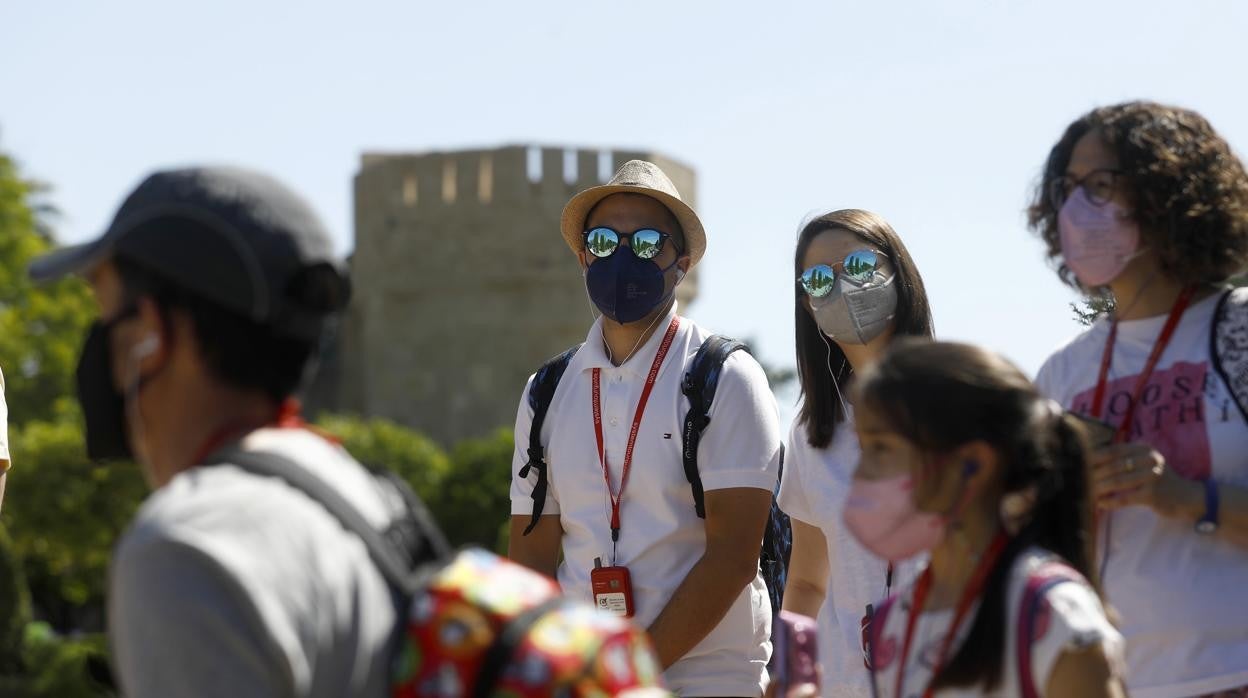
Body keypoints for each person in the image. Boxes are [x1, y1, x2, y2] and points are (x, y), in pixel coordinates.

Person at [508, 160, 783, 696]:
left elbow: (732, 557)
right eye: (605, 240)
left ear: (681, 264)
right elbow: (533, 558)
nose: (624, 255)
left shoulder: (725, 377)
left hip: (707, 680)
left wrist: (629, 674)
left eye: (647, 241)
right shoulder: (546, 390)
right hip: (581, 680)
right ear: (583, 255)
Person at [1029, 101, 1248, 698]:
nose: (1077, 207)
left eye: (1101, 185)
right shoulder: (1061, 373)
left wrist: (1184, 496)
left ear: (1170, 193)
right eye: (1068, 188)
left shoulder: (1240, 331)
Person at [851, 340, 1126, 698]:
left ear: (972, 465)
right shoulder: (893, 622)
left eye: (882, 448)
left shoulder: (1052, 614)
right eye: (863, 448)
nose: (860, 472)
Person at [777, 209, 934, 697]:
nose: (842, 286)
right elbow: (805, 582)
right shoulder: (810, 432)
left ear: (898, 273)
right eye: (819, 279)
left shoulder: (966, 402)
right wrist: (787, 676)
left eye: (860, 265)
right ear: (807, 304)